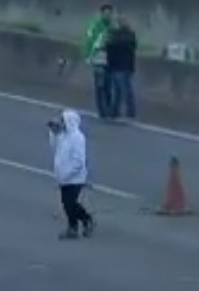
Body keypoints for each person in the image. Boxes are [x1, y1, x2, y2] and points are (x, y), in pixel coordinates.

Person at [49, 110, 95, 239]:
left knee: (70, 202)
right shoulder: (63, 135)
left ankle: (85, 219)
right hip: (63, 177)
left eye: (63, 120)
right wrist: (53, 132)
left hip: (75, 178)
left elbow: (78, 161)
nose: (61, 123)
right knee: (66, 203)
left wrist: (67, 175)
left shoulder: (78, 137)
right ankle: (73, 227)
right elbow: (54, 147)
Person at [82, 4, 115, 119]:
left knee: (108, 86)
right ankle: (102, 111)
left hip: (111, 61)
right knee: (100, 86)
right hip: (98, 60)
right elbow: (89, 41)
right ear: (102, 14)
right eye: (105, 13)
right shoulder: (96, 26)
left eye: (109, 13)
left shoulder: (113, 27)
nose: (108, 15)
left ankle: (109, 109)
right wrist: (87, 56)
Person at [104, 17, 137, 120]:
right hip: (126, 66)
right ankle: (118, 111)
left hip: (118, 66)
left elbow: (111, 48)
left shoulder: (117, 36)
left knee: (121, 90)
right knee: (123, 89)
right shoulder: (130, 35)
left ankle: (122, 111)